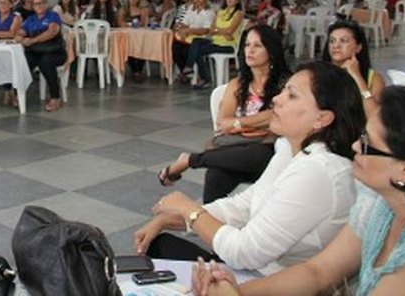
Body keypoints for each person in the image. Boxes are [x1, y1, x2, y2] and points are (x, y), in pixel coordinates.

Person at [136, 62, 364, 275]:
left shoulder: (318, 171)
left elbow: (245, 253)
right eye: (283, 91)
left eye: (292, 95)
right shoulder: (289, 148)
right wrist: (171, 219)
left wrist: (189, 211)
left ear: (322, 118)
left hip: (271, 282)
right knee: (159, 244)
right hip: (256, 269)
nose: (276, 99)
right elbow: (245, 205)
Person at [191, 86, 405, 296]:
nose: (355, 146)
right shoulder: (377, 204)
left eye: (367, 144)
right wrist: (239, 290)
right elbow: (317, 272)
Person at [160, 25, 291, 202]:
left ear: (272, 50)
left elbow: (277, 115)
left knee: (261, 153)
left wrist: (240, 123)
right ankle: (209, 223)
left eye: (257, 46)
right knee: (217, 173)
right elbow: (224, 122)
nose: (250, 50)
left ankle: (190, 160)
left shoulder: (287, 83)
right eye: (247, 45)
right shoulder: (238, 84)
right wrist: (257, 124)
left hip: (270, 153)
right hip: (236, 149)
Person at [16, 0, 67, 112]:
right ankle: (17, 94)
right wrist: (23, 39)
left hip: (55, 51)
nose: (38, 6)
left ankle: (55, 97)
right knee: (23, 61)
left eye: (40, 3)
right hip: (36, 51)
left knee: (46, 61)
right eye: (35, 4)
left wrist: (33, 40)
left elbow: (52, 32)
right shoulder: (30, 19)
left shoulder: (53, 16)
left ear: (46, 4)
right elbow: (19, 34)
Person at [183, 0, 245, 89]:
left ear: (237, 1)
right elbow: (211, 30)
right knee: (196, 41)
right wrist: (221, 31)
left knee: (198, 51)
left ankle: (204, 78)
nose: (229, 0)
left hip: (228, 45)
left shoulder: (238, 13)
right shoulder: (221, 12)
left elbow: (230, 31)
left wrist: (218, 30)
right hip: (216, 41)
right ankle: (190, 67)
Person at [322, 19, 385, 113]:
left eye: (344, 41)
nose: (336, 45)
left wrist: (358, 77)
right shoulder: (319, 73)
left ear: (358, 47)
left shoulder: (374, 78)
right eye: (332, 41)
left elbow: (373, 115)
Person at [173, 0, 215, 80]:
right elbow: (184, 23)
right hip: (189, 37)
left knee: (186, 50)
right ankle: (185, 71)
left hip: (203, 39)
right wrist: (182, 29)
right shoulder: (191, 9)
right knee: (175, 47)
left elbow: (206, 30)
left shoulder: (209, 12)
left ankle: (188, 71)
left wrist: (189, 31)